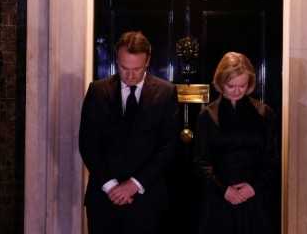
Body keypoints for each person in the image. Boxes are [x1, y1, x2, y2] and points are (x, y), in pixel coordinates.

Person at [79, 31, 180, 234]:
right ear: (116, 60)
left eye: (137, 68)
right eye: (124, 68)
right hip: (104, 199)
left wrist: (134, 184)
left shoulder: (166, 92)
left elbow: (169, 145)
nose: (131, 75)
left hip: (147, 199)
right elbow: (87, 142)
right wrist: (111, 186)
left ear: (148, 61)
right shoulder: (97, 91)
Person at [193, 52, 279, 234]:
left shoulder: (264, 113)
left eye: (243, 85)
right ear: (220, 82)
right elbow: (200, 162)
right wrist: (224, 190)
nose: (237, 91)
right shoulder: (207, 115)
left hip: (256, 197)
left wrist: (253, 186)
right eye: (231, 86)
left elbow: (272, 158)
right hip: (219, 198)